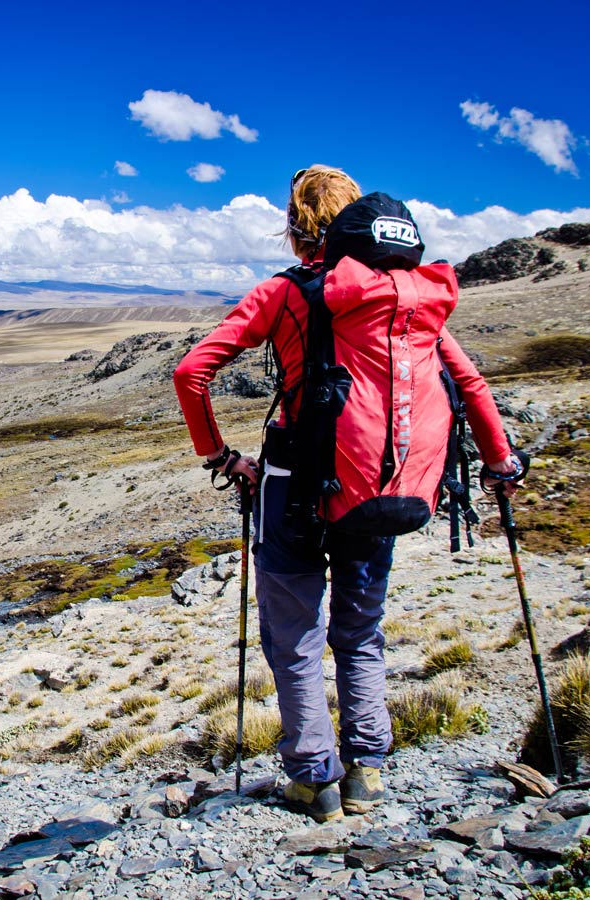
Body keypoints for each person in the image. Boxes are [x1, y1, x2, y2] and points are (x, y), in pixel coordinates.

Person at [173, 165, 521, 822]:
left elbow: (192, 373)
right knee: (360, 632)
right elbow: (470, 385)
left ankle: (314, 782)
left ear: (294, 226)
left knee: (295, 636)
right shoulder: (405, 297)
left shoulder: (285, 292)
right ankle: (369, 773)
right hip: (375, 488)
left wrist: (221, 456)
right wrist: (501, 464)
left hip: (292, 489)